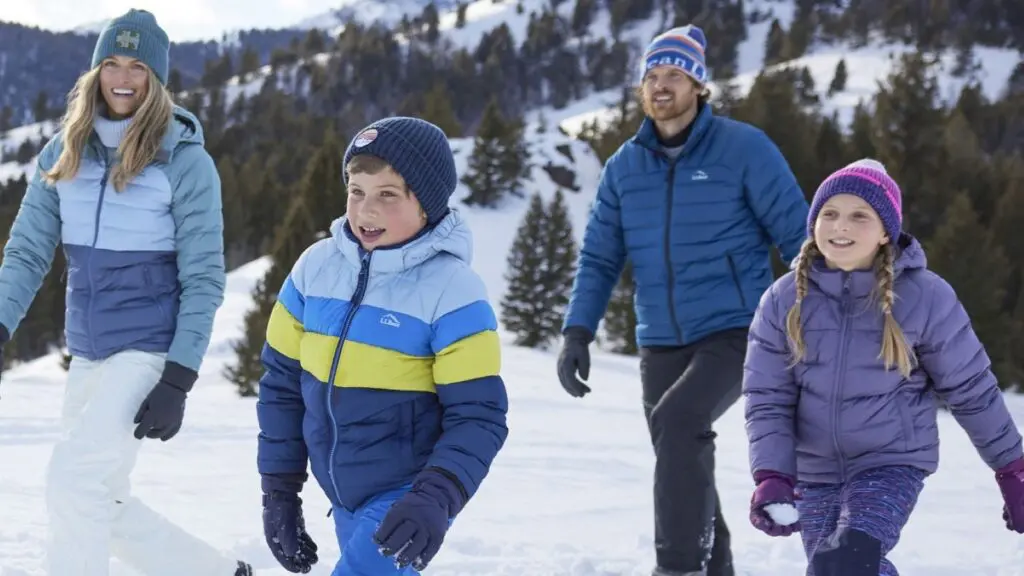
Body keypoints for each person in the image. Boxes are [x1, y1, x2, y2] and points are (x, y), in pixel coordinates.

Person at [0, 9, 247, 576]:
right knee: (97, 500)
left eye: (138, 66)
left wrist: (178, 377)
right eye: (112, 63)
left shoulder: (184, 161)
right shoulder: (63, 153)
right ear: (95, 72)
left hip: (147, 351)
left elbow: (204, 277)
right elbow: (28, 252)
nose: (123, 77)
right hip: (88, 351)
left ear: (155, 78)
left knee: (72, 480)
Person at [556, 24, 809, 576]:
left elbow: (799, 238)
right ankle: (715, 568)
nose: (661, 85)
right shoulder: (624, 167)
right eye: (652, 75)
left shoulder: (744, 150)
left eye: (674, 74)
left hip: (738, 330)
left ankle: (676, 568)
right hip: (660, 338)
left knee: (678, 422)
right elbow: (599, 258)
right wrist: (577, 332)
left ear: (698, 85)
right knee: (681, 452)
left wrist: (818, 315)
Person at [743, 159, 1024, 575]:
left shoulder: (926, 297)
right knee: (832, 569)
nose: (841, 226)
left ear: (885, 233)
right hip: (815, 471)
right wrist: (773, 473)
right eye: (829, 214)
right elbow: (767, 398)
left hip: (890, 463)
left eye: (860, 216)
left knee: (848, 561)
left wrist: (1012, 468)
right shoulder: (783, 300)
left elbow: (971, 389)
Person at [257, 116, 509, 575]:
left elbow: (479, 414)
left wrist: (436, 496)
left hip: (408, 496)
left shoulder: (453, 290)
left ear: (426, 204)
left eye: (387, 195)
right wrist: (280, 489)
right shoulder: (314, 269)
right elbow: (282, 384)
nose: (366, 210)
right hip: (344, 495)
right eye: (356, 191)